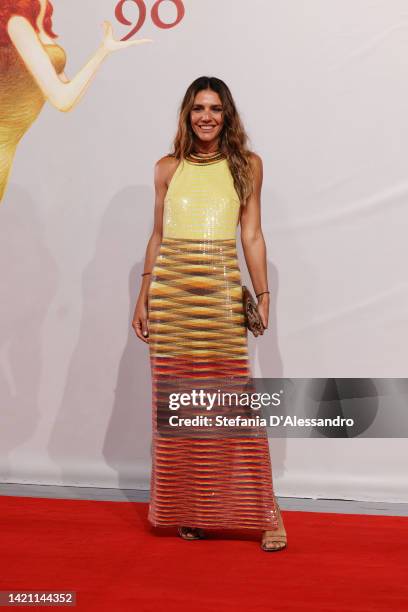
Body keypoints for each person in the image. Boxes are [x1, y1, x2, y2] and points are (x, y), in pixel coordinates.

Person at [132, 76, 287, 551]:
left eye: (215, 109)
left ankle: (267, 515)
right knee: (183, 408)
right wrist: (143, 295)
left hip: (219, 294)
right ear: (186, 114)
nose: (206, 116)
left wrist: (262, 293)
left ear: (227, 115)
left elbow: (252, 236)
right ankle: (197, 509)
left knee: (232, 406)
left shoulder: (247, 166)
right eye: (198, 108)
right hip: (172, 296)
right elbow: (158, 235)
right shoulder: (165, 168)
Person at [0, 0, 151, 203]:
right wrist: (102, 52)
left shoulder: (38, 16)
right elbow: (61, 98)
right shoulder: (17, 22)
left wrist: (104, 51)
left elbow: (66, 98)